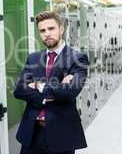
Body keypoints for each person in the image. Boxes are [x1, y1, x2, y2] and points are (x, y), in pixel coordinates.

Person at [14, 11, 88, 154]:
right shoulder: (33, 58)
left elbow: (70, 92)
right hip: (32, 133)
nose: (47, 33)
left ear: (61, 29)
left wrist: (37, 85)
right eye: (42, 30)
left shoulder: (77, 58)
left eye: (51, 28)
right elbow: (19, 90)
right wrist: (57, 87)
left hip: (61, 134)